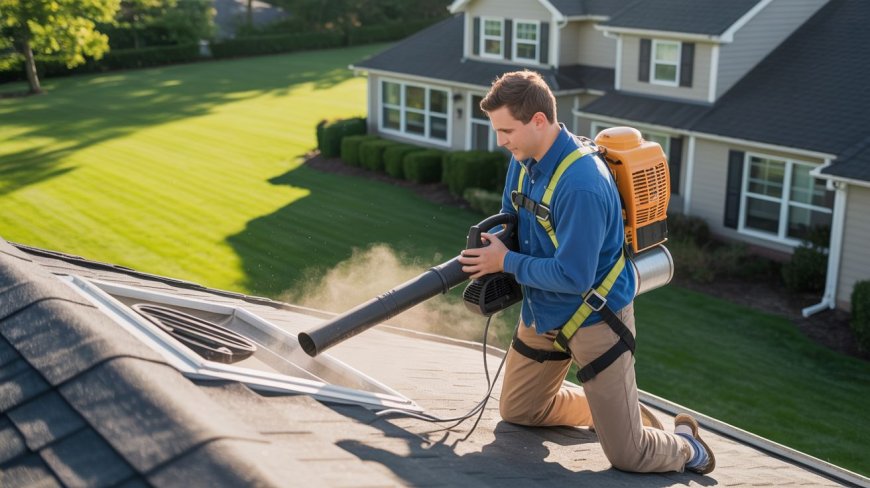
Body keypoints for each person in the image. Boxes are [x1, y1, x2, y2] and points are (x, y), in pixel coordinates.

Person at [457, 70, 715, 475]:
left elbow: (575, 276)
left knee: (630, 456)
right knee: (519, 410)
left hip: (595, 318)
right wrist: (491, 252)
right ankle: (619, 412)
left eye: (506, 130)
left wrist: (505, 262)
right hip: (543, 314)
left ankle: (686, 445)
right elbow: (515, 225)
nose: (501, 140)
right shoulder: (523, 162)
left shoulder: (581, 185)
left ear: (538, 121)